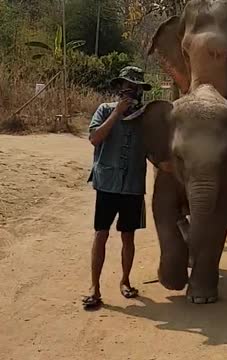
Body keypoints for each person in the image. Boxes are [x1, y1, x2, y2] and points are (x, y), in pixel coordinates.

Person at [81, 66, 152, 310]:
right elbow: (94, 138)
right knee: (101, 233)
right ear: (119, 89)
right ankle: (95, 287)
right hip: (107, 184)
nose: (131, 93)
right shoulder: (104, 110)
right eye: (127, 88)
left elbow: (154, 154)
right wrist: (117, 114)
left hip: (132, 186)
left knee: (128, 236)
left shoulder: (145, 119)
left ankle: (125, 281)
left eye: (136, 89)